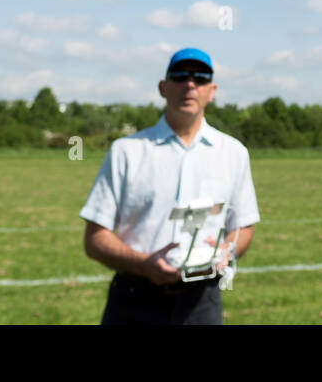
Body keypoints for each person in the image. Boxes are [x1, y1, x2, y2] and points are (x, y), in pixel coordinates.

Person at [80, 47, 259, 325]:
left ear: (212, 91)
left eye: (200, 78)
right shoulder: (126, 151)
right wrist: (141, 264)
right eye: (179, 76)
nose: (190, 84)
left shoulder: (234, 153)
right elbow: (94, 238)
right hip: (134, 298)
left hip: (202, 301)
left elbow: (243, 226)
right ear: (163, 88)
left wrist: (227, 250)